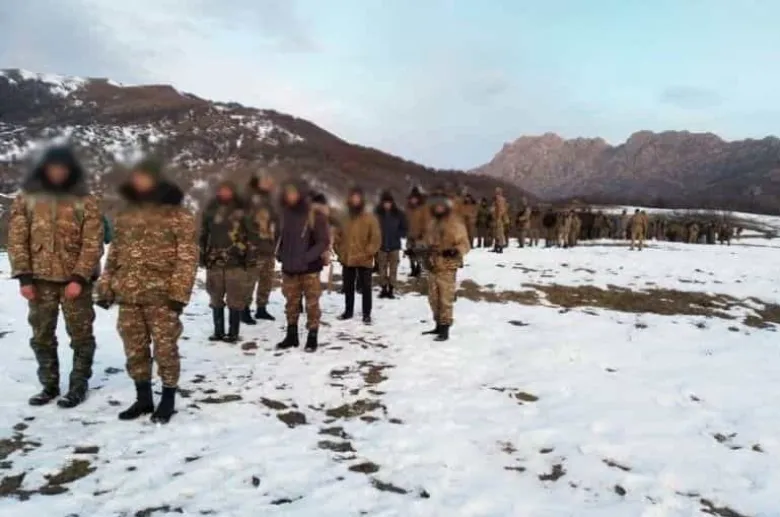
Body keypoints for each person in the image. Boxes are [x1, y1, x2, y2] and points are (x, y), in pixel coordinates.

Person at [96, 158, 197, 424]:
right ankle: (143, 399)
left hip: (162, 297)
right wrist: (106, 286)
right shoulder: (126, 215)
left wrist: (178, 295)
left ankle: (168, 398)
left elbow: (187, 258)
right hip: (128, 296)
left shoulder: (178, 215)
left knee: (165, 349)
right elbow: (114, 254)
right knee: (134, 349)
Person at [8, 145, 104, 408]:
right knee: (41, 336)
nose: (57, 172)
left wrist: (79, 278)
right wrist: (24, 278)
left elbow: (93, 243)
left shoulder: (85, 200)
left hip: (75, 282)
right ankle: (49, 385)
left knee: (81, 336)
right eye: (53, 168)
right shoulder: (27, 199)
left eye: (62, 168)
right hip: (39, 281)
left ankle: (78, 385)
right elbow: (17, 240)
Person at [274, 181, 330, 352]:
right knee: (291, 303)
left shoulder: (314, 215)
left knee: (312, 304)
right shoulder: (284, 214)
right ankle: (291, 335)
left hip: (309, 269)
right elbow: (279, 238)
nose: (290, 197)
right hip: (289, 268)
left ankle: (312, 336)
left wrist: (306, 258)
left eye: (293, 193)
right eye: (288, 194)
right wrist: (280, 254)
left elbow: (323, 241)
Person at [200, 181, 255, 343]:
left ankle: (233, 333)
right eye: (222, 190)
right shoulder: (210, 210)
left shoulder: (243, 210)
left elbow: (252, 235)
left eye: (227, 190)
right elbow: (203, 234)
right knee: (215, 297)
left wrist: (249, 257)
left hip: (236, 262)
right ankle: (218, 332)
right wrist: (202, 256)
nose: (224, 193)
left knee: (235, 299)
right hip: (214, 262)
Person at [421, 193, 470, 341]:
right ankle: (438, 324)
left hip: (447, 265)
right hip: (432, 265)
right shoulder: (431, 223)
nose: (438, 208)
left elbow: (465, 244)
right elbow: (426, 242)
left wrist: (455, 251)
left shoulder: (455, 224)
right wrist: (421, 251)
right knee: (433, 298)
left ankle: (445, 328)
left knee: (445, 299)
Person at [334, 187, 381, 324]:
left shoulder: (370, 218)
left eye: (357, 198)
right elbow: (337, 236)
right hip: (347, 257)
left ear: (361, 200)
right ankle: (348, 311)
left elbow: (376, 238)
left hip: (364, 258)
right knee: (348, 287)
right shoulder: (343, 217)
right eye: (353, 198)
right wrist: (339, 250)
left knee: (366, 288)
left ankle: (366, 314)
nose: (355, 200)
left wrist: (369, 252)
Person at [244, 173, 278, 323]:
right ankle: (244, 310)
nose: (270, 184)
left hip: (269, 247)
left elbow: (275, 221)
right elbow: (246, 223)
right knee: (249, 281)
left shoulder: (270, 201)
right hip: (254, 248)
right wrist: (253, 242)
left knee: (266, 281)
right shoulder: (250, 199)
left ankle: (261, 309)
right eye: (266, 181)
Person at [374, 191, 408, 299]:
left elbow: (404, 228)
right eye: (385, 203)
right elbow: (372, 228)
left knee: (393, 269)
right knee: (382, 269)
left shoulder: (399, 214)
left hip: (394, 246)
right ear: (382, 203)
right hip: (381, 245)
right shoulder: (377, 214)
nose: (387, 205)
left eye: (388, 202)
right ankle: (383, 288)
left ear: (392, 203)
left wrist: (398, 234)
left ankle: (391, 289)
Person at [405, 187, 427, 277]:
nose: (413, 200)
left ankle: (419, 268)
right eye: (412, 198)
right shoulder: (408, 208)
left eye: (415, 198)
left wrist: (423, 232)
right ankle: (412, 268)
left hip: (420, 234)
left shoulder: (423, 209)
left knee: (419, 252)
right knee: (409, 252)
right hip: (409, 234)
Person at [491, 187, 509, 252]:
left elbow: (501, 209)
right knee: (496, 233)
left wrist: (498, 216)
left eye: (497, 191)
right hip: (497, 218)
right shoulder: (497, 199)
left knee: (499, 233)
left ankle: (500, 247)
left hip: (499, 218)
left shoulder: (500, 199)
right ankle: (497, 246)